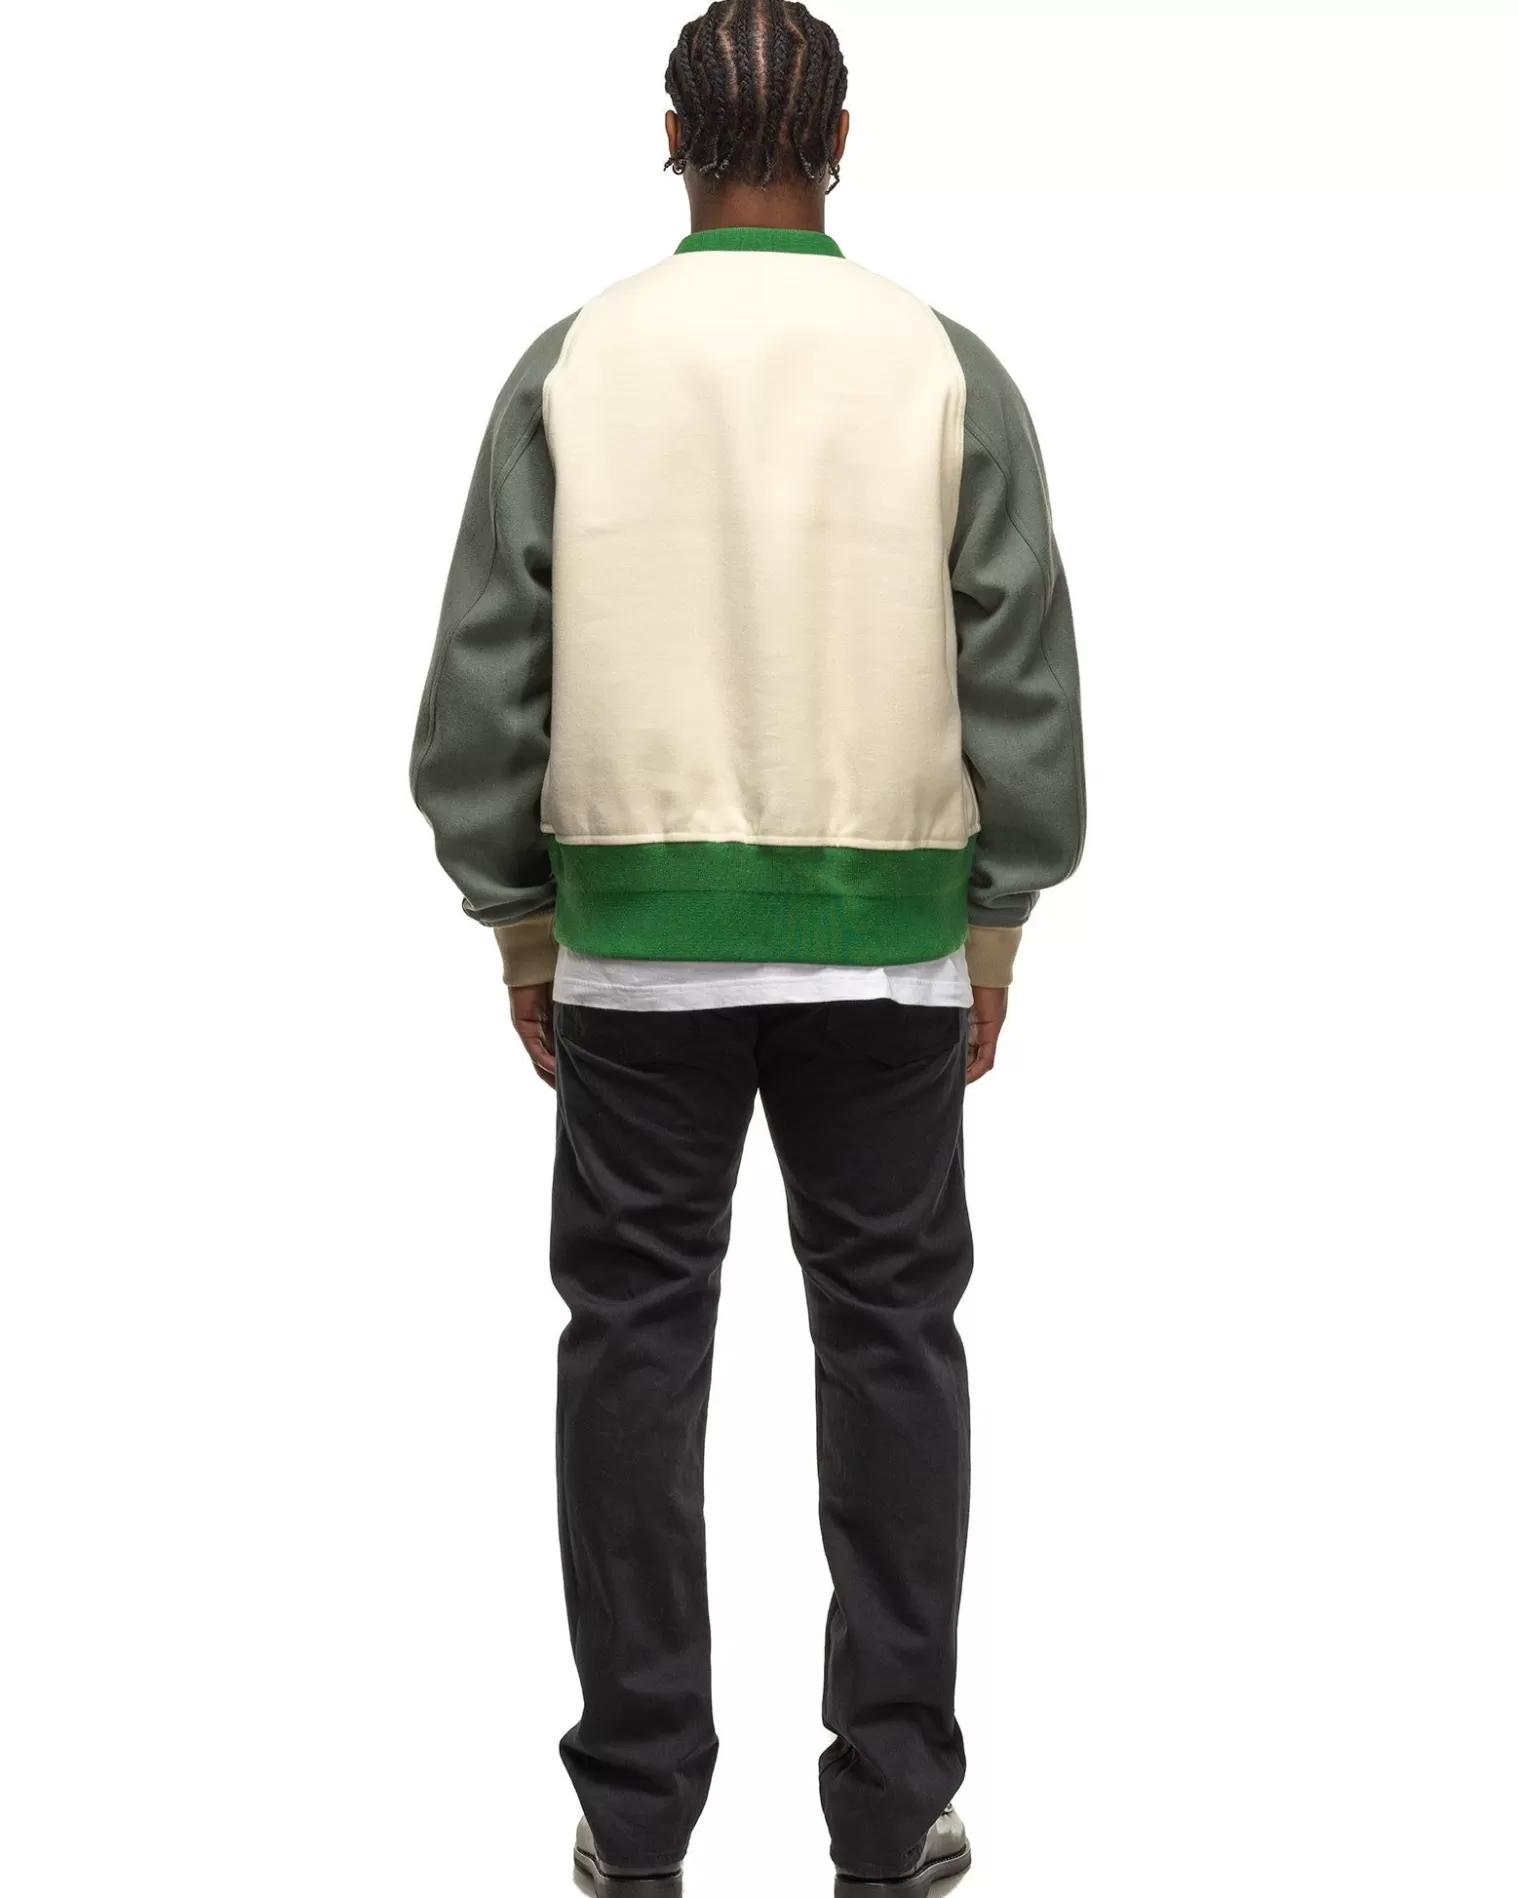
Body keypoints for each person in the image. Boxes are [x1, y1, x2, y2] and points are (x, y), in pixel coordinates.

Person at [409, 4, 1085, 1890]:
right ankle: (889, 1809)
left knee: (631, 1352)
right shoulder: (940, 363)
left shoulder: (577, 360)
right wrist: (998, 916)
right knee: (892, 1345)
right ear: (841, 136)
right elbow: (1018, 668)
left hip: (637, 953)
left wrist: (521, 918)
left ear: (668, 131)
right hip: (886, 950)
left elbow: (485, 678)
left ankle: (635, 1824)